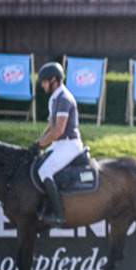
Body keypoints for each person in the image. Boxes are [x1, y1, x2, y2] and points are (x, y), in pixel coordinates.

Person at [33, 62, 84, 226]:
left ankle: (58, 215)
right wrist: (36, 144)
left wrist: (40, 145)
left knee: (44, 171)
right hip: (59, 144)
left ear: (54, 79)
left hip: (70, 145)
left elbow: (58, 130)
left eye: (44, 81)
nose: (42, 85)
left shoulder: (63, 99)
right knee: (37, 163)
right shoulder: (54, 99)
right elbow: (50, 127)